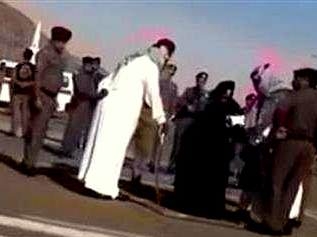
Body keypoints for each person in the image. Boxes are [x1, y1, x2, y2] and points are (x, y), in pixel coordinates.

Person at [78, 38, 176, 199]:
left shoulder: (132, 58)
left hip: (109, 103)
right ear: (163, 53)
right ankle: (100, 186)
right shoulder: (149, 65)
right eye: (166, 56)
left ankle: (101, 184)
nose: (164, 60)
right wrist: (161, 119)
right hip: (121, 109)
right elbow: (153, 94)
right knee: (112, 148)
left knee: (103, 144)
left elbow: (107, 81)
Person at [258, 68, 317, 234]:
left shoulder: (294, 96)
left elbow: (279, 114)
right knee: (292, 186)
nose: (293, 81)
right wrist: (316, 148)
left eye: (296, 78)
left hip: (289, 142)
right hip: (309, 147)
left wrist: (276, 134)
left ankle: (270, 221)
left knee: (276, 182)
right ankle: (282, 223)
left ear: (305, 79)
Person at [173, 80, 242, 219]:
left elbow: (238, 128)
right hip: (201, 148)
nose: (226, 96)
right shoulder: (209, 102)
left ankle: (212, 209)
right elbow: (199, 121)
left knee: (215, 182)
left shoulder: (234, 107)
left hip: (220, 150)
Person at [239, 64, 292, 213]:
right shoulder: (266, 98)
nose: (256, 86)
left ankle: (254, 210)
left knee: (259, 179)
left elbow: (266, 123)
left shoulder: (278, 98)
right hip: (261, 143)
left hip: (266, 144)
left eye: (257, 82)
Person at [20, 26, 73, 175]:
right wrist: (36, 97)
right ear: (54, 40)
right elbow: (38, 76)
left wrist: (55, 98)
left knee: (40, 132)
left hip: (50, 97)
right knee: (36, 131)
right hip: (41, 95)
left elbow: (57, 78)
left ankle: (28, 161)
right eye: (61, 42)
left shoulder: (61, 56)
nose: (63, 45)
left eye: (64, 42)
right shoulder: (45, 54)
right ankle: (29, 164)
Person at [60, 56, 107, 158]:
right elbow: (84, 91)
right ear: (86, 64)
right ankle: (65, 149)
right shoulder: (80, 75)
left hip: (85, 104)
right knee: (73, 127)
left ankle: (69, 150)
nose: (92, 67)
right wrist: (99, 95)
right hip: (80, 102)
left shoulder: (90, 76)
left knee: (78, 129)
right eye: (90, 65)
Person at [167, 71, 209, 173]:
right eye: (199, 79)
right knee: (178, 144)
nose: (201, 81)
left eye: (203, 80)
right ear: (197, 79)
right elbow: (181, 101)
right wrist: (187, 106)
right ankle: (172, 164)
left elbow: (205, 109)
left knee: (191, 146)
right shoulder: (189, 91)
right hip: (185, 119)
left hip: (197, 122)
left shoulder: (206, 95)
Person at [10, 49, 35, 137]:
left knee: (16, 113)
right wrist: (27, 84)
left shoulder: (18, 66)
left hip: (17, 91)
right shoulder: (34, 68)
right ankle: (24, 132)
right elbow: (36, 81)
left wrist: (19, 83)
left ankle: (14, 131)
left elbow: (13, 79)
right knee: (26, 114)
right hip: (28, 93)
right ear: (31, 56)